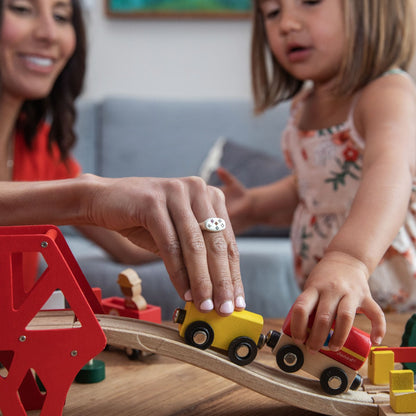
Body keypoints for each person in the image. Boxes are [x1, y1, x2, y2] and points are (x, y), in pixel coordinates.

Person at [0, 0, 245, 317]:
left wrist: (200, 220)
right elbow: (85, 201)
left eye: (62, 16)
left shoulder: (40, 148)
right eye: (21, 9)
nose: (50, 33)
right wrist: (88, 196)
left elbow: (127, 246)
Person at [219, 0, 416, 352]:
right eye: (273, 12)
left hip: (402, 306)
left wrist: (349, 258)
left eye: (309, 2)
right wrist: (252, 206)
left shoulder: (386, 93)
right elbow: (311, 185)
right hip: (340, 302)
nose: (287, 24)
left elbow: (390, 171)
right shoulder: (303, 107)